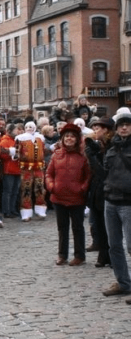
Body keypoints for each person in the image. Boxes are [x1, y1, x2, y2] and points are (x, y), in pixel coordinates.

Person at [45, 123, 91, 266]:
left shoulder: (83, 156)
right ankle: (62, 255)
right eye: (67, 136)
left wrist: (82, 189)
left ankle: (79, 255)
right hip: (59, 197)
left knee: (77, 227)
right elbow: (49, 174)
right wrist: (52, 187)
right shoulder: (57, 154)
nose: (69, 139)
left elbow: (88, 176)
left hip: (76, 197)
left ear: (77, 139)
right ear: (63, 138)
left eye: (72, 136)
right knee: (62, 228)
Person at [101, 108, 131, 300]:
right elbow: (104, 172)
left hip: (129, 203)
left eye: (128, 125)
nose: (125, 128)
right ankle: (123, 283)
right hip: (110, 201)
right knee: (114, 246)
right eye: (121, 125)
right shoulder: (111, 148)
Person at [85, 116, 115, 267]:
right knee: (98, 225)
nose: (95, 131)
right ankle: (103, 255)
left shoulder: (112, 147)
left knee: (107, 227)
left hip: (107, 191)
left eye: (98, 128)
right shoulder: (101, 145)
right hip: (97, 190)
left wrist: (92, 157)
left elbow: (104, 173)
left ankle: (109, 256)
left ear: (106, 130)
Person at [15, 121, 48, 221]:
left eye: (31, 126)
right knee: (26, 189)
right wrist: (16, 155)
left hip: (38, 167)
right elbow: (16, 151)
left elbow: (43, 150)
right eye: (27, 127)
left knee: (39, 188)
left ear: (35, 128)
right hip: (26, 168)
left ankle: (40, 210)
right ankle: (26, 211)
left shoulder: (40, 138)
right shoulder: (20, 138)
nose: (29, 128)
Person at [0, 123, 22, 218]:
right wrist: (10, 153)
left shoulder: (16, 140)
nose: (17, 132)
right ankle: (6, 210)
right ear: (9, 131)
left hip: (17, 169)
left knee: (15, 191)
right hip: (8, 170)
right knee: (8, 191)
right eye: (16, 130)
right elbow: (2, 155)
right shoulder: (5, 141)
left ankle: (13, 209)